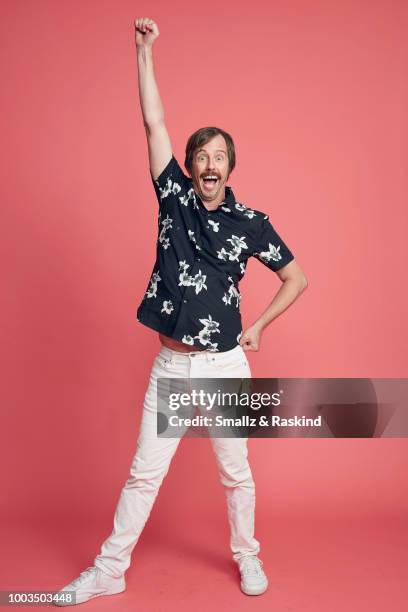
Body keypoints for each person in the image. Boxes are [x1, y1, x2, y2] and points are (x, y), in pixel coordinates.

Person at [54, 17, 308, 606]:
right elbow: (154, 121)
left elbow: (296, 277)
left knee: (234, 473)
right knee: (144, 475)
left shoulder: (251, 223)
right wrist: (143, 52)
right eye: (201, 154)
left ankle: (248, 557)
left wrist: (260, 327)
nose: (209, 162)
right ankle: (108, 571)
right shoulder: (172, 199)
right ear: (191, 166)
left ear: (230, 168)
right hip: (170, 370)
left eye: (220, 155)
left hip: (223, 367)